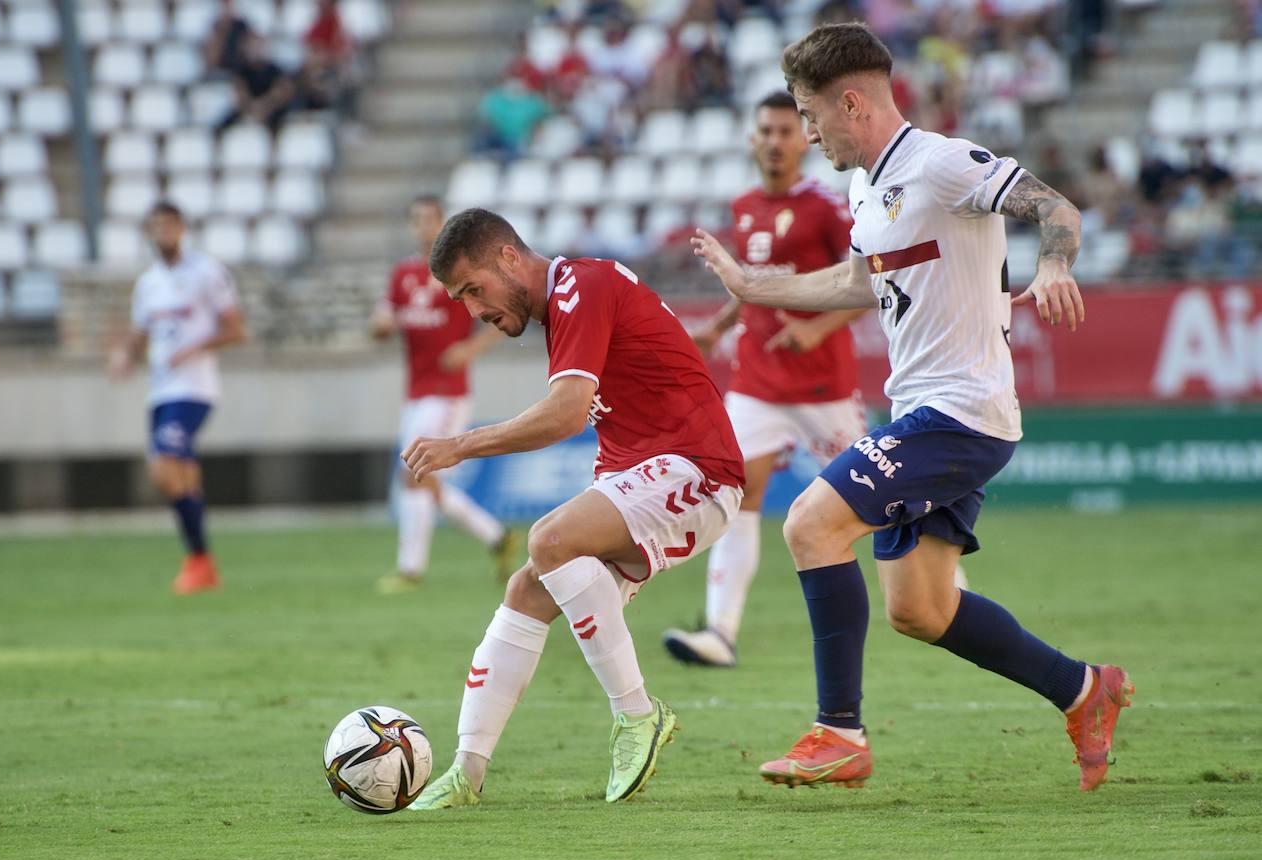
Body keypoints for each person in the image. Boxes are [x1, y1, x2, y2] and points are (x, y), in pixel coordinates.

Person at [691, 23, 1132, 792]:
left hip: (961, 413)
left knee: (808, 524)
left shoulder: (941, 163)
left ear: (851, 102)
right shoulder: (867, 185)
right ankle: (1086, 690)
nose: (808, 130)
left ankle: (839, 733)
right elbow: (858, 282)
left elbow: (1057, 207)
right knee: (920, 609)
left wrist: (1055, 266)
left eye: (811, 113)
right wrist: (753, 287)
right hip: (925, 413)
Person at [403, 209, 745, 808]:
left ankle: (638, 716)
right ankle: (466, 772)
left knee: (549, 540)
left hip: (697, 469)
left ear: (509, 257)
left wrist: (462, 443)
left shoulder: (578, 285)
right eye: (459, 299)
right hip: (644, 472)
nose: (473, 311)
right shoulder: (564, 307)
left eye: (473, 289)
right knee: (526, 590)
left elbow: (565, 414)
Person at [662, 91, 870, 667]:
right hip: (755, 383)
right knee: (736, 495)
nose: (775, 141)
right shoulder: (745, 204)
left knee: (879, 492)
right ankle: (720, 633)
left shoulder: (826, 207)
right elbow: (752, 283)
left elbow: (872, 281)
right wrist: (719, 326)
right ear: (753, 140)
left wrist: (817, 330)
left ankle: (945, 580)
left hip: (823, 386)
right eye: (766, 132)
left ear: (803, 139)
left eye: (785, 130)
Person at [371, 196, 516, 594]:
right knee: (425, 480)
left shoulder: (458, 271)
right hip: (416, 390)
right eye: (416, 220)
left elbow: (503, 312)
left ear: (442, 224)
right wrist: (380, 325)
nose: (423, 227)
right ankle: (496, 537)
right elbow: (382, 319)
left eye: (430, 220)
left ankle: (410, 570)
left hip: (448, 391)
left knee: (414, 473)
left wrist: (470, 349)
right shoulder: (402, 275)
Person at [108, 202, 247, 594]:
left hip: (195, 388)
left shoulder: (206, 272)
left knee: (163, 467)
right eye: (156, 227)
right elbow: (141, 332)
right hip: (161, 390)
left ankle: (199, 558)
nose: (163, 233)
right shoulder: (149, 283)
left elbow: (236, 328)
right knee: (181, 476)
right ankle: (202, 565)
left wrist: (194, 348)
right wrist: (124, 355)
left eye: (169, 225)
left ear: (182, 228)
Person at [216, 32, 296, 134]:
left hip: (270, 109)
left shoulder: (274, 69)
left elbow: (282, 91)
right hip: (248, 108)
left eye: (258, 46)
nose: (255, 50)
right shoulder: (241, 70)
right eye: (252, 46)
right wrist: (253, 108)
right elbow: (240, 92)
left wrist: (265, 105)